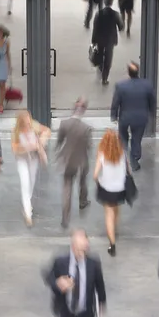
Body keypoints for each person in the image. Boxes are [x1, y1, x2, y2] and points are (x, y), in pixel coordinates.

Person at [44, 229, 106, 317]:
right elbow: (48, 275)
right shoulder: (61, 261)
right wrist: (58, 282)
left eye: (85, 249)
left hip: (86, 309)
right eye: (79, 250)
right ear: (73, 247)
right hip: (66, 309)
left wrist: (102, 301)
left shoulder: (93, 263)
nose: (82, 253)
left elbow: (99, 283)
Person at [111, 61, 155, 171]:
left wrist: (114, 116)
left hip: (125, 118)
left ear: (128, 73)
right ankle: (134, 158)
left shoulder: (121, 86)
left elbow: (115, 102)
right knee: (136, 139)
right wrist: (151, 113)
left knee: (123, 136)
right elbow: (152, 102)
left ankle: (124, 154)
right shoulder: (147, 85)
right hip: (141, 118)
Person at [56, 97, 92, 228]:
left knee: (67, 187)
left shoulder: (64, 124)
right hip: (82, 160)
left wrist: (59, 152)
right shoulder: (86, 128)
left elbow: (60, 141)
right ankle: (83, 201)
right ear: (84, 110)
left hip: (68, 160)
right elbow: (89, 146)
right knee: (82, 182)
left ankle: (65, 217)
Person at [11, 110, 51, 227]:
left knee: (31, 182)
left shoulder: (34, 125)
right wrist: (28, 147)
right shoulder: (16, 132)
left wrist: (42, 142)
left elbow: (47, 130)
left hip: (33, 158)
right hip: (22, 159)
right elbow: (15, 149)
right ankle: (28, 213)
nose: (29, 125)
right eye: (26, 123)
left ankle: (27, 203)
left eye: (30, 121)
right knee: (25, 182)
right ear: (21, 123)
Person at [93, 129, 128, 257]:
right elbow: (127, 170)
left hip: (106, 188)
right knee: (116, 209)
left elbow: (95, 174)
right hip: (120, 188)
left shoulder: (102, 154)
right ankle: (115, 229)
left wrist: (99, 181)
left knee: (108, 214)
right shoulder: (122, 153)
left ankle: (112, 243)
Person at [91, 0, 124, 85]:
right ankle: (104, 78)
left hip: (100, 39)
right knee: (108, 59)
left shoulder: (99, 14)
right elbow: (121, 26)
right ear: (112, 2)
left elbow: (95, 28)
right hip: (110, 40)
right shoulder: (115, 14)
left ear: (105, 2)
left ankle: (101, 69)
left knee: (100, 55)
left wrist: (93, 41)